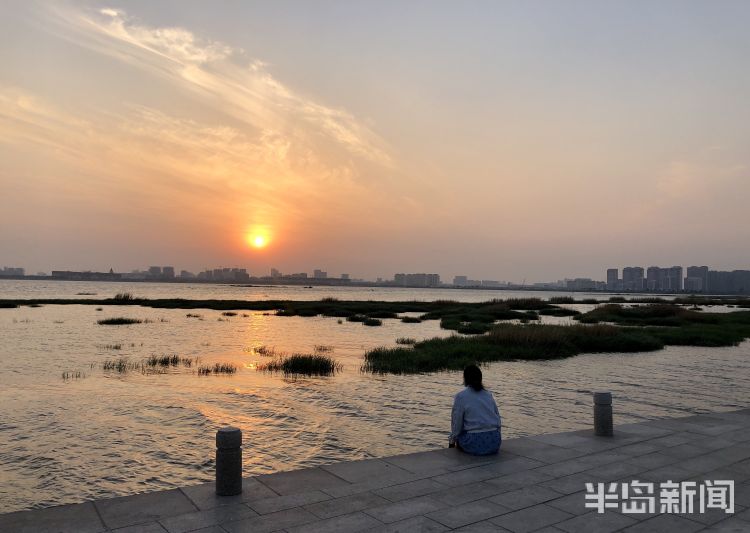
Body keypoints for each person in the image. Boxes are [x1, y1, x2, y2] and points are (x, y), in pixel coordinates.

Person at [448, 364, 501, 455]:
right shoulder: (488, 395)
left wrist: (452, 440)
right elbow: (498, 419)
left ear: (465, 378)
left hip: (475, 442)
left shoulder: (461, 397)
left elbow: (457, 424)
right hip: (495, 442)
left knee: (459, 435)